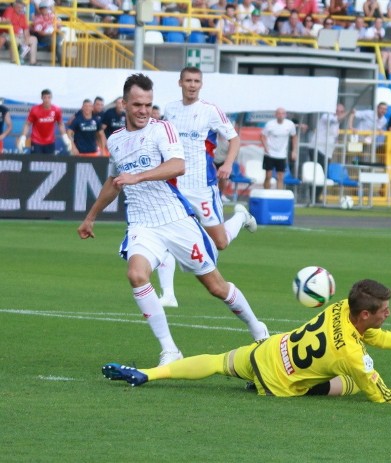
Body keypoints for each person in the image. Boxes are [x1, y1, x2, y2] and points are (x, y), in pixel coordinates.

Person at [77, 73, 269, 367]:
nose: (143, 110)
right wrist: (90, 217)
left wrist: (138, 176)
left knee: (216, 287)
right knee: (136, 275)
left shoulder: (162, 129)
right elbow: (114, 181)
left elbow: (178, 166)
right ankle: (170, 350)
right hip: (142, 223)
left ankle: (258, 328)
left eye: (148, 104)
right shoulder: (115, 141)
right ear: (124, 104)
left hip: (176, 219)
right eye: (137, 104)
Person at [102, 279, 391, 405]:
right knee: (355, 382)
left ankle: (149, 374)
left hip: (266, 352)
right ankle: (273, 387)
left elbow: (374, 335)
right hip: (279, 385)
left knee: (214, 361)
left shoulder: (341, 307)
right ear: (365, 314)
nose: (388, 314)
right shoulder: (352, 355)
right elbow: (386, 398)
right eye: (383, 310)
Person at [158, 66, 258, 307]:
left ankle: (241, 217)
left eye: (196, 81)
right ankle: (168, 294)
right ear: (179, 82)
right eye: (188, 80)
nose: (192, 85)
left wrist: (228, 164)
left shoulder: (210, 111)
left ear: (200, 84)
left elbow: (234, 139)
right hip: (175, 185)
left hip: (202, 186)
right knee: (165, 235)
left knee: (220, 242)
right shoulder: (169, 110)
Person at [18, 89, 71, 155]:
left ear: (51, 98)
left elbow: (60, 124)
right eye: (45, 97)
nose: (47, 100)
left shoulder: (56, 110)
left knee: (49, 164)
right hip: (36, 141)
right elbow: (27, 124)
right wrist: (23, 137)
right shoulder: (35, 110)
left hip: (50, 142)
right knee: (35, 163)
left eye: (48, 97)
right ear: (41, 98)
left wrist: (65, 137)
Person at [260, 107, 298, 189]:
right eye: (279, 113)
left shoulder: (290, 124)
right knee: (268, 175)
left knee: (280, 176)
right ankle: (266, 193)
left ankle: (279, 195)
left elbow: (294, 137)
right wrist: (266, 147)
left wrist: (294, 151)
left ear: (285, 115)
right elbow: (262, 136)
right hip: (269, 154)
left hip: (281, 154)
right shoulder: (270, 124)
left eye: (283, 113)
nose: (281, 115)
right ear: (276, 115)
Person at [0, 0, 38, 66]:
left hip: (20, 35)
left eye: (22, 7)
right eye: (19, 7)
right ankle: (14, 61)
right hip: (8, 34)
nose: (21, 9)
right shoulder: (10, 10)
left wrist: (26, 40)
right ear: (14, 7)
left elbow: (26, 29)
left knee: (33, 39)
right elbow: (7, 21)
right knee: (15, 39)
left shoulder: (22, 15)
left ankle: (33, 62)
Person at [314, 103, 346, 170]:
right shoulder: (327, 116)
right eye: (337, 111)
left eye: (341, 112)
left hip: (327, 151)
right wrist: (349, 112)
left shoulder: (337, 123)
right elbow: (335, 119)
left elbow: (333, 135)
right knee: (319, 171)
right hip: (318, 149)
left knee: (324, 170)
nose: (339, 113)